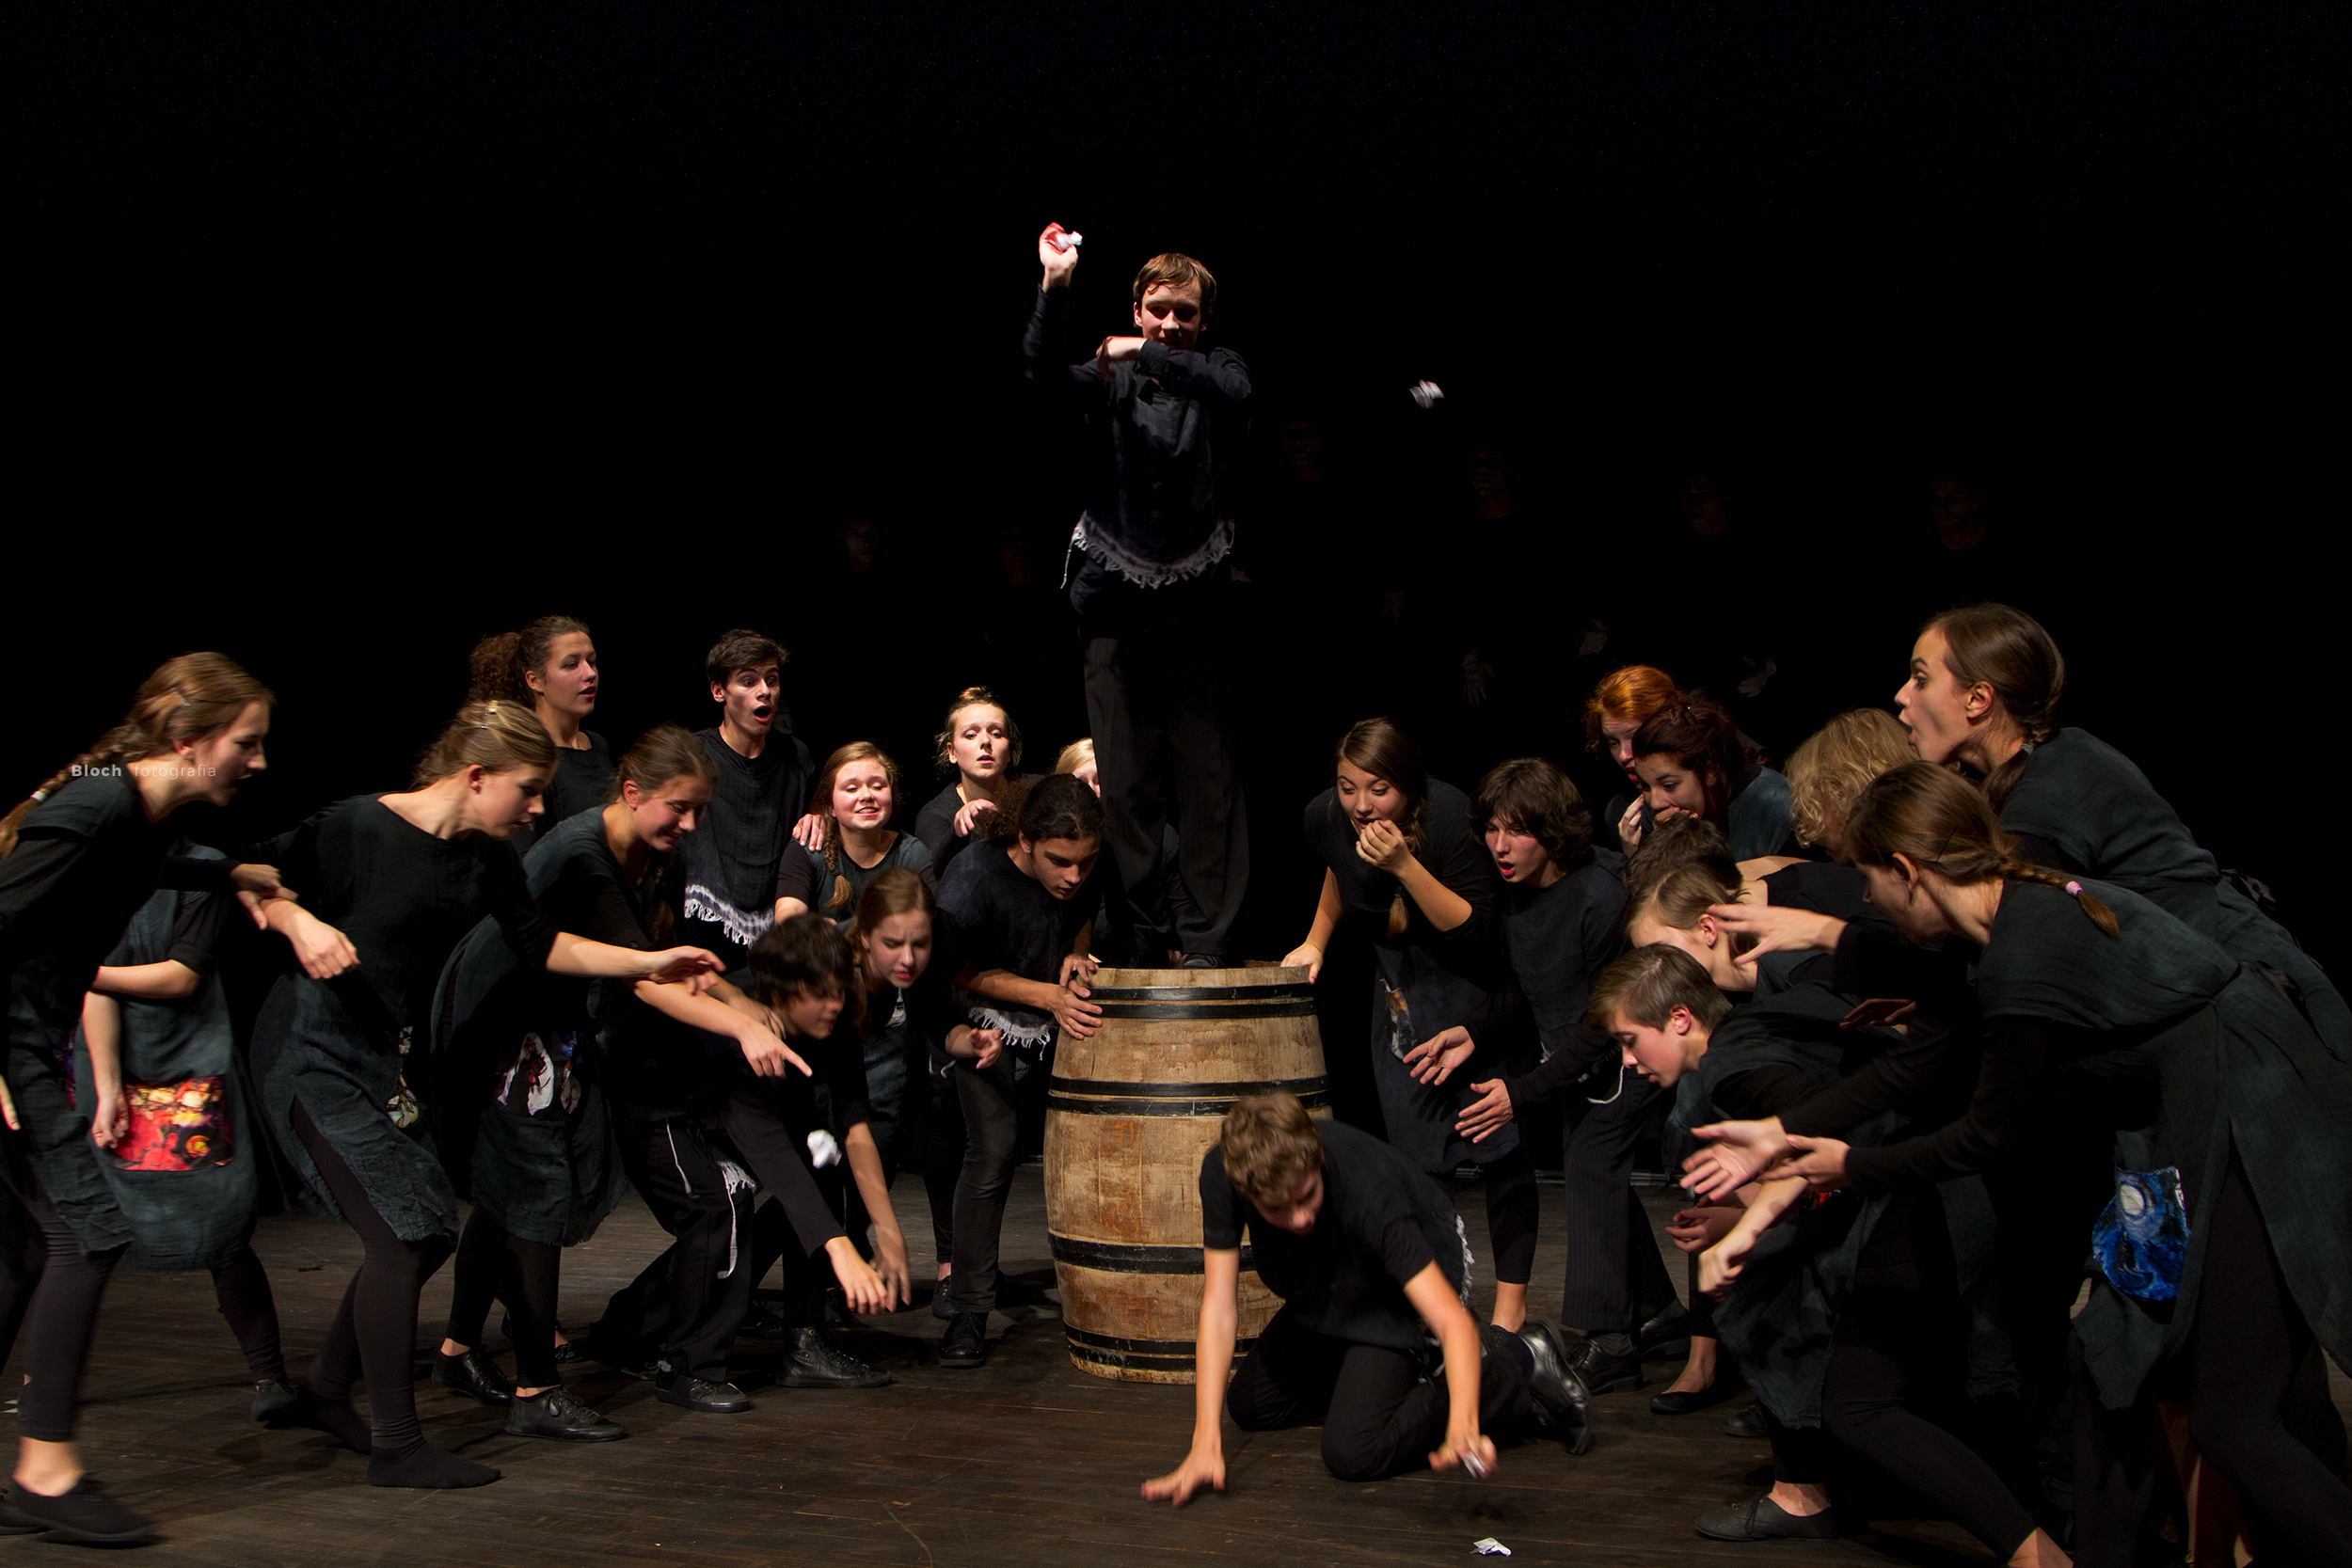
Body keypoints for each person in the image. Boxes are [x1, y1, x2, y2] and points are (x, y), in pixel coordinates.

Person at [1691, 763, 2352, 1565]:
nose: (1867, 898)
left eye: (1870, 880)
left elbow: (1985, 1135)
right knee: (2106, 1365)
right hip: (2187, 1133)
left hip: (2248, 1125)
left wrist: (1852, 1165)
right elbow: (1918, 1061)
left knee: (2235, 1420)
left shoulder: (2022, 954)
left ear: (1906, 870)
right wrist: (1780, 1130)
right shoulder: (2003, 928)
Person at [247, 701, 726, 1488]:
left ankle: (328, 1389)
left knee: (428, 1229)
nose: (538, 808)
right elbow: (248, 872)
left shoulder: (487, 853)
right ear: (476, 776)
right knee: (404, 1236)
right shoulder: (359, 825)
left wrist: (646, 962)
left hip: (381, 1057)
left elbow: (543, 943)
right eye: (527, 789)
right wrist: (295, 920)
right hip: (308, 1047)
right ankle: (397, 1446)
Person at [1598, 946, 2041, 1558]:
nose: (1627, 1060)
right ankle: (1806, 1490)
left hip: (1918, 1201)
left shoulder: (1733, 1065)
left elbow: (1825, 1138)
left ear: (1679, 1019)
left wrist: (1746, 1230)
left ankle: (2032, 1546)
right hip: (1927, 1189)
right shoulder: (1750, 1031)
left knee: (1857, 1401)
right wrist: (1740, 1217)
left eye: (1629, 1040)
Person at [0, 654, 284, 1544]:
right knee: (87, 1233)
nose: (259, 760)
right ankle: (46, 1471)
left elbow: (134, 861)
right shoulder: (103, 801)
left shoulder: (126, 803)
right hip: (11, 1042)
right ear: (187, 738)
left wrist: (228, 876)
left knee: (23, 1249)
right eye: (246, 742)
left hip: (27, 1037)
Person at [428, 724, 730, 1444]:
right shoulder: (582, 852)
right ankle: (536, 1386)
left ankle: (458, 1348)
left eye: (698, 810)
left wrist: (746, 1006)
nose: (689, 824)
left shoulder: (649, 850)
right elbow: (645, 975)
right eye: (679, 807)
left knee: (509, 1197)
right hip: (502, 1019)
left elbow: (656, 959)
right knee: (535, 1192)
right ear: (632, 792)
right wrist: (744, 1028)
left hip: (549, 1020)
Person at [1895, 601, 2348, 1054]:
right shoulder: (2018, 781)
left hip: (2246, 1008)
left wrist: (1939, 1016)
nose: (1902, 696)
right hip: (2193, 1002)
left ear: (1977, 699)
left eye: (1921, 679)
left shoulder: (2058, 775)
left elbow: (2016, 940)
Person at [1140, 1093, 1588, 1504]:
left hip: (1394, 1289)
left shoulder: (1370, 1191)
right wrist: (1204, 1442)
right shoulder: (1223, 1173)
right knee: (1250, 1405)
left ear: (1317, 1161)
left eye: (1307, 1196)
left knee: (1353, 1450)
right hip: (1327, 1280)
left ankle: (1519, 1361)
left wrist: (1463, 1419)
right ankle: (1401, 1375)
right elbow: (1219, 1307)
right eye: (1277, 1209)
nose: (1299, 1218)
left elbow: (1453, 1322)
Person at [1025, 226, 1250, 966]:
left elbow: (1237, 394)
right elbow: (1043, 377)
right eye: (1157, 310)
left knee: (1208, 784)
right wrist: (1056, 285)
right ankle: (1145, 940)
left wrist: (1140, 351)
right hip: (1116, 612)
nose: (1170, 324)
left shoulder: (1217, 368)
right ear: (1136, 307)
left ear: (1204, 321)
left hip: (1197, 613)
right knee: (1126, 790)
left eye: (1185, 313)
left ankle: (1207, 940)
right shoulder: (1111, 375)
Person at [1280, 721, 1531, 1333]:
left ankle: (1510, 1312)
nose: (1361, 804)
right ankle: (1442, 1307)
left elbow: (1474, 932)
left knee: (1499, 1152)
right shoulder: (1327, 816)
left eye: (1378, 789)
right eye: (1348, 787)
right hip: (1402, 993)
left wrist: (1403, 863)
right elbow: (1338, 869)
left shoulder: (1448, 817)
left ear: (1409, 786)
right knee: (1420, 1161)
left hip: (1475, 987)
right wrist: (1316, 940)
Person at [1401, 757, 1624, 1336]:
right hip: (1573, 1065)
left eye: (1517, 831)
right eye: (1492, 829)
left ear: (1552, 832)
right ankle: (1659, 1317)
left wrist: (1521, 1092)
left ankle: (1607, 1339)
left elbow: (1605, 1023)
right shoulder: (1516, 893)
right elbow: (1524, 986)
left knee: (1594, 1182)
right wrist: (1473, 1031)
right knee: (1602, 1189)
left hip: (1622, 1063)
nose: (1499, 846)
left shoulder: (1599, 896)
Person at [73, 847, 293, 1425]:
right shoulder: (95, 873)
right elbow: (96, 993)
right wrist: (108, 1088)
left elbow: (180, 976)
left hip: (190, 1066)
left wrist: (84, 970)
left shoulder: (204, 870)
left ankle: (269, 1373)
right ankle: (46, 1380)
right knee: (85, 1235)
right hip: (114, 1061)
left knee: (223, 1228)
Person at [931, 774, 1103, 1369]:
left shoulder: (1082, 869)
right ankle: (968, 1309)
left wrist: (1077, 949)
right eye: (1060, 862)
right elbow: (954, 971)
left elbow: (1083, 907)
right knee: (993, 1151)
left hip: (1050, 1012)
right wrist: (1043, 995)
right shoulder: (973, 880)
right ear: (1025, 839)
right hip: (982, 1020)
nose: (1073, 875)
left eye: (1084, 862)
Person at [717, 913, 902, 1390]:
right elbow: (776, 1160)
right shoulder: (744, 1033)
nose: (834, 1004)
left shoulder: (833, 1021)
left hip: (766, 1113)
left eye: (838, 991)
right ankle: (646, 1332)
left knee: (822, 1166)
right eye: (819, 994)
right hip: (680, 1112)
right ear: (779, 995)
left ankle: (804, 1341)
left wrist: (887, 1233)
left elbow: (856, 1128)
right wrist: (840, 1248)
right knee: (719, 1214)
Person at [673, 629, 818, 970]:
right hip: (700, 940)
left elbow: (814, 812)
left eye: (771, 680)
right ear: (718, 691)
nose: (765, 691)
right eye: (749, 681)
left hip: (773, 938)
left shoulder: (794, 756)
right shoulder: (694, 754)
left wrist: (818, 815)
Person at [467, 615, 611, 847]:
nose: (590, 673)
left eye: (591, 662)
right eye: (571, 664)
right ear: (535, 681)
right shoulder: (524, 756)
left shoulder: (597, 745)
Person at [778, 743, 935, 927]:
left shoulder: (912, 853)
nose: (867, 795)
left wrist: (842, 930)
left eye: (877, 786)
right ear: (830, 806)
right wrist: (813, 929)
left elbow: (933, 918)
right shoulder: (811, 846)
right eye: (852, 789)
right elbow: (786, 916)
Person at [1628, 696, 1800, 860]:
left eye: (1669, 785)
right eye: (1645, 786)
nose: (1656, 802)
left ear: (1709, 771)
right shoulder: (1658, 812)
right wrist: (1662, 850)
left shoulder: (1778, 805)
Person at [913, 688, 1018, 875]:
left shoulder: (1037, 792)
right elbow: (940, 874)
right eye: (971, 735)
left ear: (1009, 751)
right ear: (952, 752)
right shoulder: (935, 815)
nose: (985, 741)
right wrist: (957, 833)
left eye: (996, 733)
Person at [1582, 664, 1684, 852]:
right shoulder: (1623, 816)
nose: (1623, 755)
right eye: (1613, 742)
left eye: (1635, 737)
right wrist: (1635, 855)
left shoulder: (1716, 789)